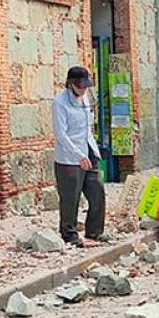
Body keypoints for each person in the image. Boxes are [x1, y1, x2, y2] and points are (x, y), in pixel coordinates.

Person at [52, 66, 106, 247]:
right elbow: (61, 134)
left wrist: (94, 151)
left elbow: (88, 127)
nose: (83, 90)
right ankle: (69, 234)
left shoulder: (86, 98)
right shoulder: (59, 103)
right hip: (68, 157)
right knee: (70, 198)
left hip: (89, 150)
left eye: (85, 86)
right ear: (70, 84)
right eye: (80, 87)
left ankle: (95, 231)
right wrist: (78, 154)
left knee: (97, 191)